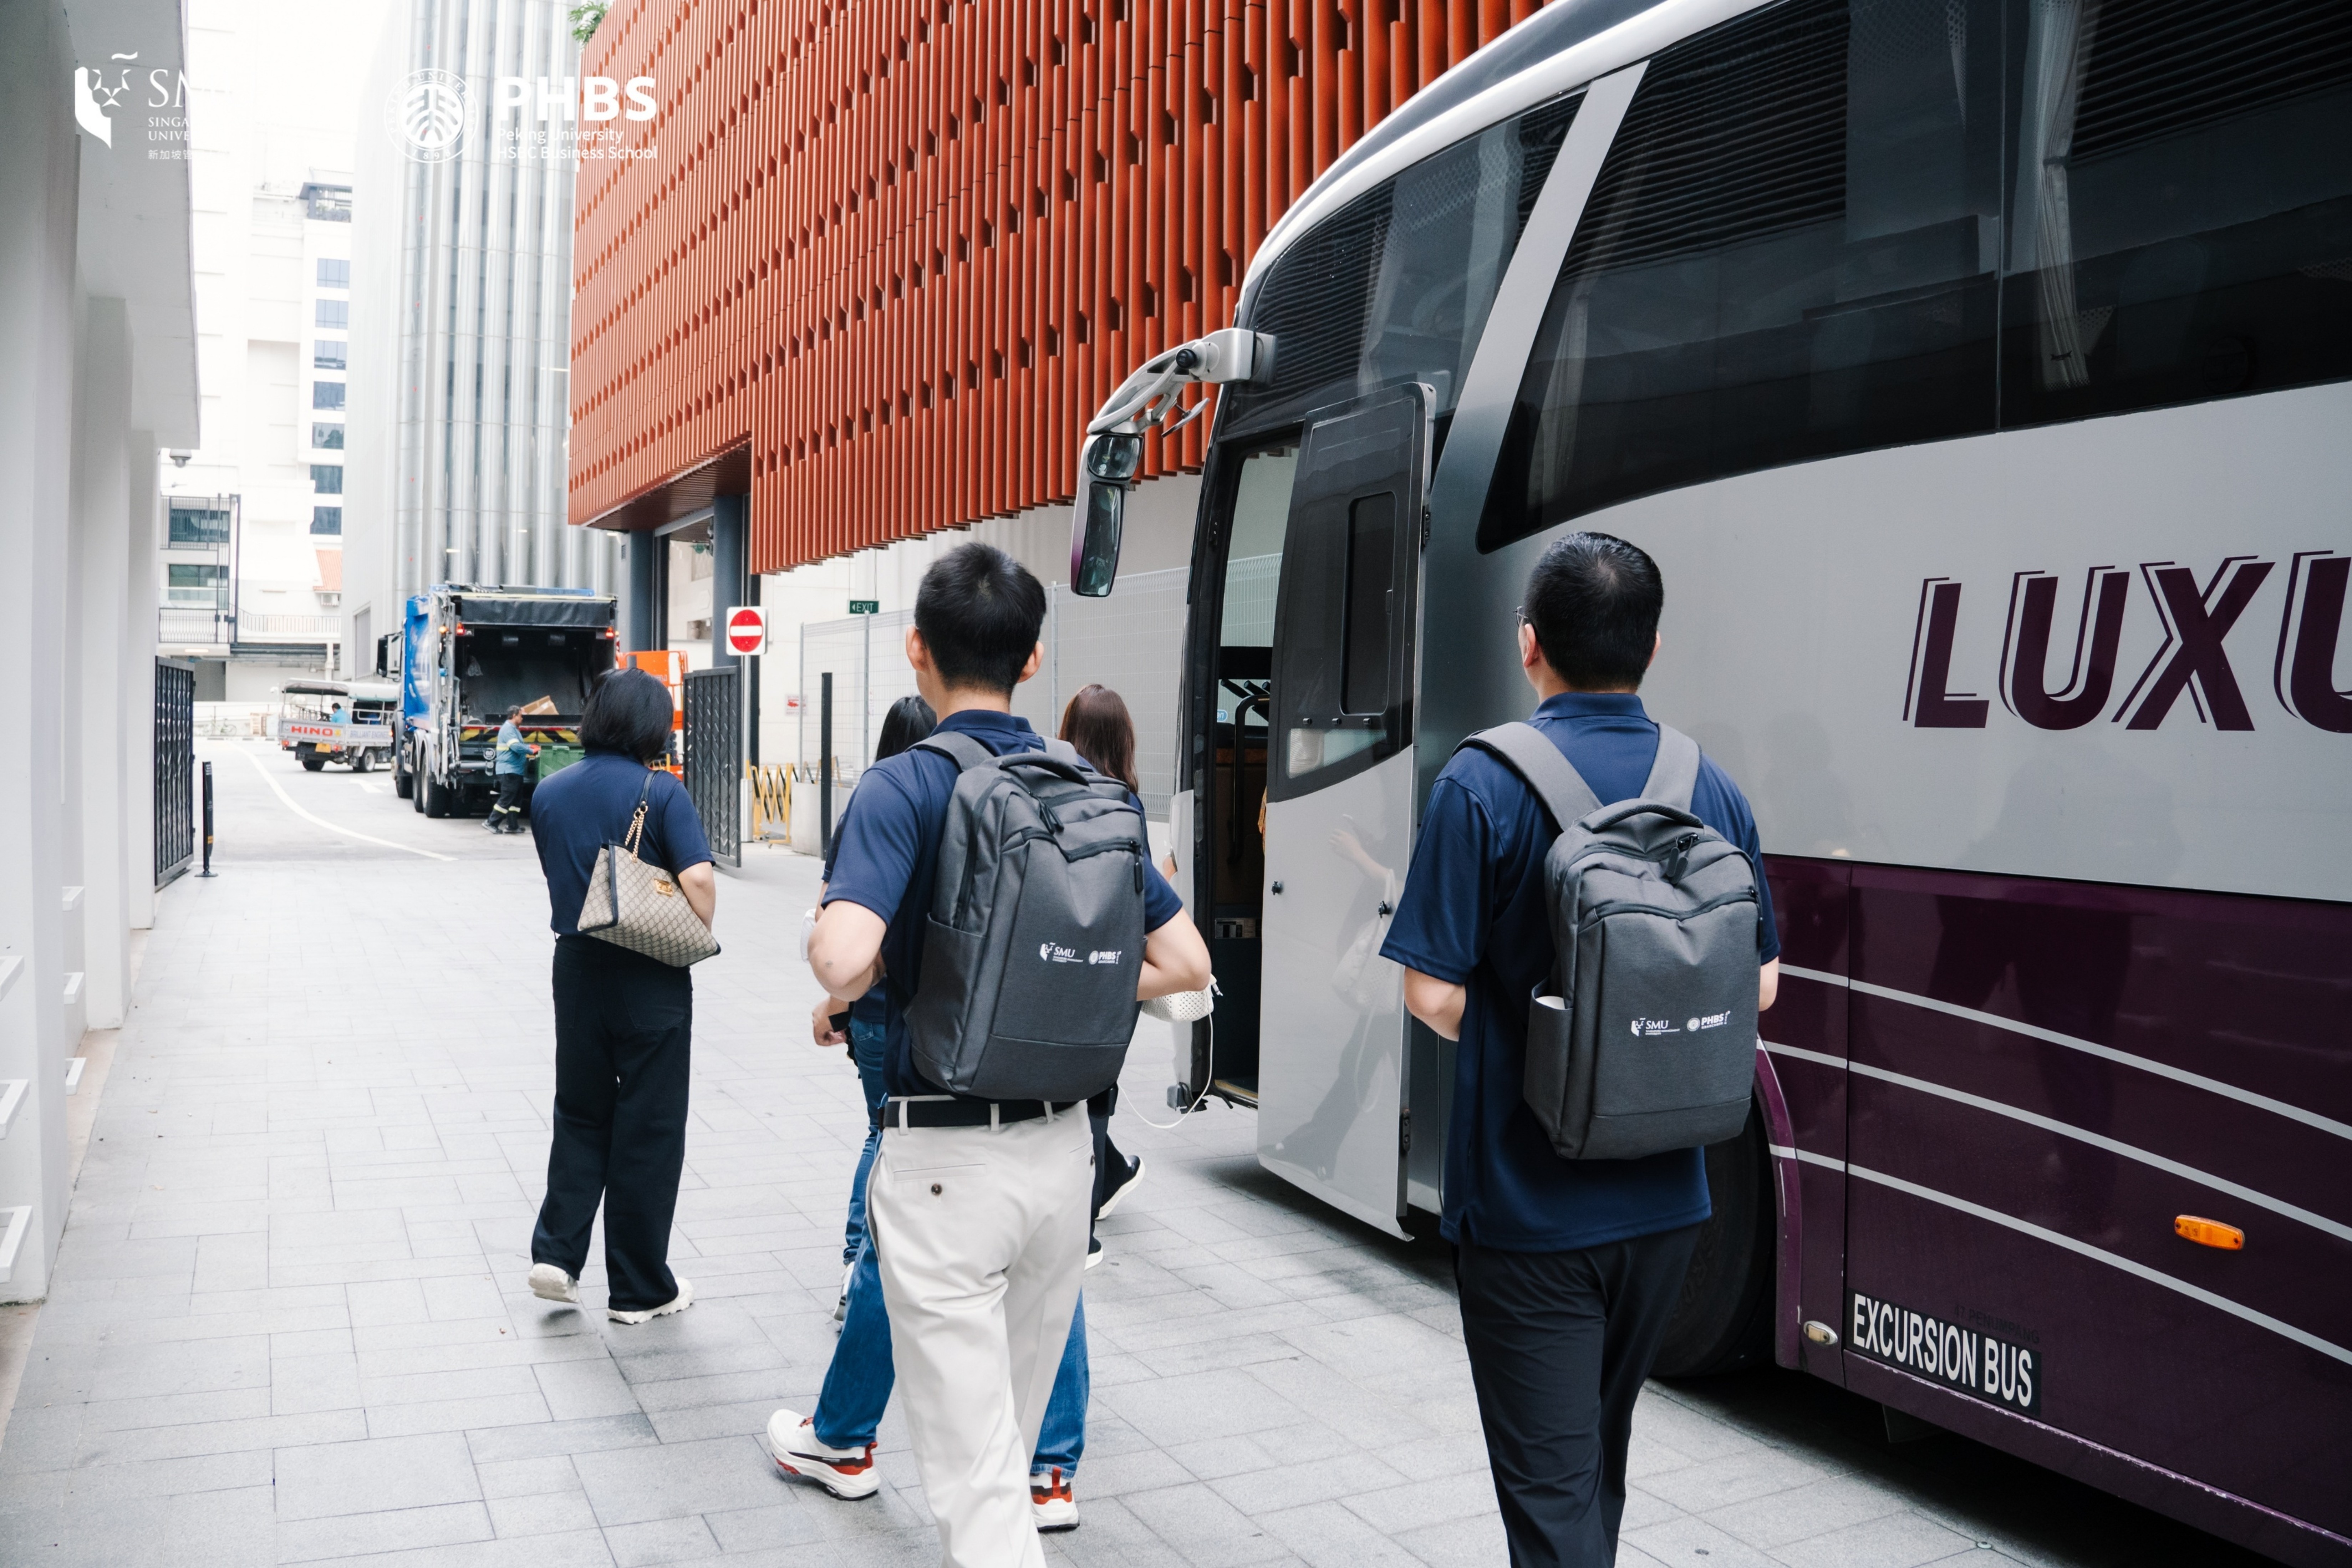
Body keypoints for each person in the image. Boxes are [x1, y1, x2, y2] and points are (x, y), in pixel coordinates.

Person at [772, 543, 1210, 1568]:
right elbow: (1185, 964)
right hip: (1064, 1157)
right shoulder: (1090, 787)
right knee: (1002, 1448)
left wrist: (832, 966)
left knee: (974, 1484)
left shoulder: (901, 784)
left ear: (916, 649)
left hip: (945, 1164)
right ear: (1033, 656)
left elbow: (844, 955)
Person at [1383, 532, 1780, 1568]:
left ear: (1529, 645)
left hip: (1528, 1212)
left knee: (1549, 1496)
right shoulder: (1712, 787)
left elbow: (1430, 992)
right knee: (1592, 1465)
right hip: (1665, 1206)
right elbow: (1763, 984)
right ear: (1650, 646)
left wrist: (1553, 1041)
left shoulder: (1481, 783)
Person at [522, 667, 716, 1324]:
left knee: (580, 1111)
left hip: (575, 967)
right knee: (648, 1126)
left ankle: (555, 1255)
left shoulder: (548, 792)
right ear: (652, 726)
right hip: (648, 975)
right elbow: (700, 883)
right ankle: (638, 1290)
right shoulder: (661, 792)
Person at [820, 692, 938, 1308]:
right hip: (936, 1004)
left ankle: (854, 1263)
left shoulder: (869, 806)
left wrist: (833, 1000)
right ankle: (879, 1267)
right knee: (916, 1135)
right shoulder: (952, 800)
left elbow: (827, 916)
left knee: (879, 1129)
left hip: (868, 1003)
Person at [1055, 684, 1154, 1244]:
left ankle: (1107, 1176)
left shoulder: (1052, 792)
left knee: (1064, 1082)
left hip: (1058, 957)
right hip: (1115, 964)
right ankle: (1087, 1213)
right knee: (1097, 1086)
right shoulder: (1126, 804)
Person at [489, 704, 538, 833]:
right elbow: (516, 747)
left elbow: (518, 745)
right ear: (515, 716)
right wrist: (531, 751)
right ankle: (491, 822)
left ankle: (512, 826)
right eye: (521, 716)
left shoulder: (514, 729)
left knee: (516, 800)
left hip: (515, 770)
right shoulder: (508, 729)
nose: (522, 719)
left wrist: (529, 747)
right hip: (508, 770)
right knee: (507, 798)